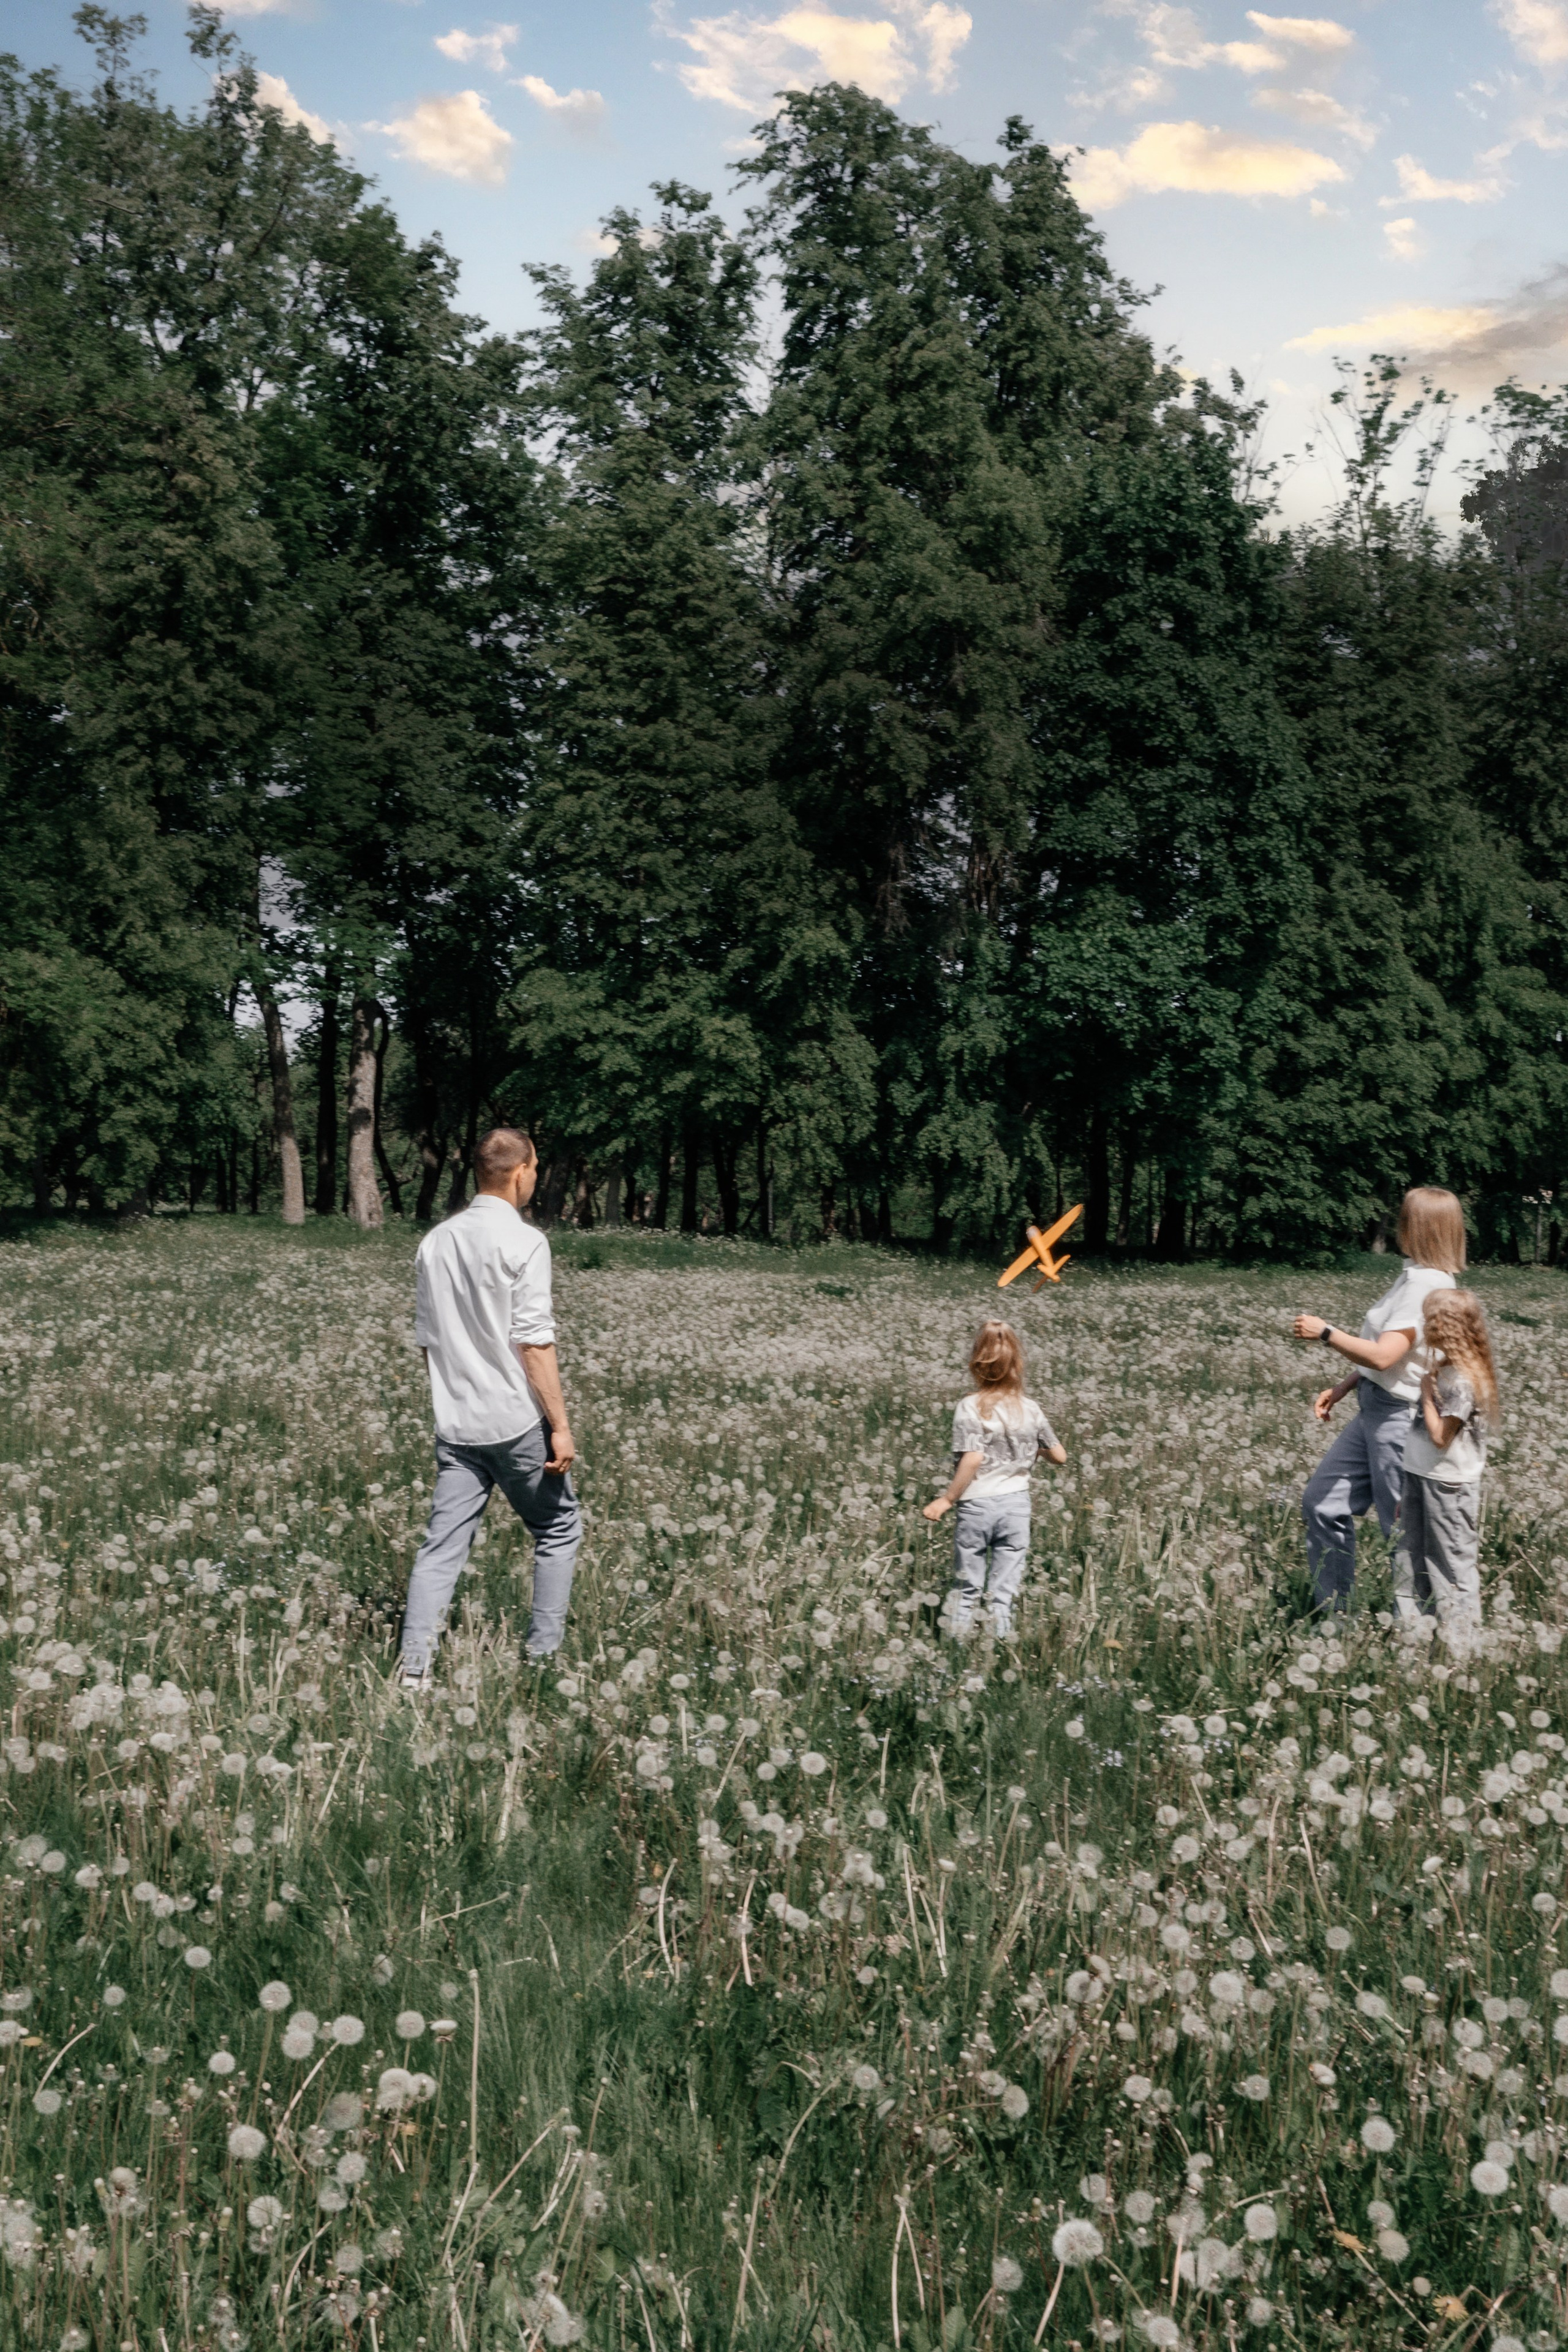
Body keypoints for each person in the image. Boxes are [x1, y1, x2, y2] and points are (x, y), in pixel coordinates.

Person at [398, 1126, 579, 1687]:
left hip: (456, 1424)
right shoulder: (525, 1242)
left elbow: (429, 1340)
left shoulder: (436, 1241)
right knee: (559, 1529)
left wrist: (452, 1400)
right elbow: (535, 1344)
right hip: (515, 1422)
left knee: (441, 1549)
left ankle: (413, 1675)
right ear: (523, 1171)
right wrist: (562, 1427)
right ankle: (542, 1662)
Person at [1292, 1185, 1466, 1612]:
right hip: (1376, 1407)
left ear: (1418, 1227)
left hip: (1400, 1422)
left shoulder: (1425, 1284)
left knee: (1402, 1534)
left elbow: (1387, 1354)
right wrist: (1346, 1386)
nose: (1397, 1222)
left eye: (1404, 1216)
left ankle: (1422, 1635)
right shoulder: (1418, 1276)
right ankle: (1335, 1617)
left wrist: (1325, 1332)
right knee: (1323, 1502)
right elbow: (1396, 1356)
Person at [922, 1319, 1066, 1638]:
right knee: (1005, 1590)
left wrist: (947, 1500)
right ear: (1018, 1364)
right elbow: (1060, 1456)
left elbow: (973, 1458)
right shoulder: (1031, 1408)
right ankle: (1000, 1648)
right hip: (1017, 1507)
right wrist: (1031, 1451)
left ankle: (955, 1653)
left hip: (977, 1506)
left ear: (976, 1364)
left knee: (966, 1586)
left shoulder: (970, 1406)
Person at [1393, 1288, 1498, 1630]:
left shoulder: (1465, 1380)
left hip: (1448, 1485)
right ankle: (1415, 1638)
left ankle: (1461, 1651)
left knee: (1450, 1565)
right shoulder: (1444, 1368)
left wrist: (1426, 1393)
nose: (1423, 1326)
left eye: (1429, 1320)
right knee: (1410, 1561)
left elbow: (1440, 1437)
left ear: (1445, 1327)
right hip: (1420, 1475)